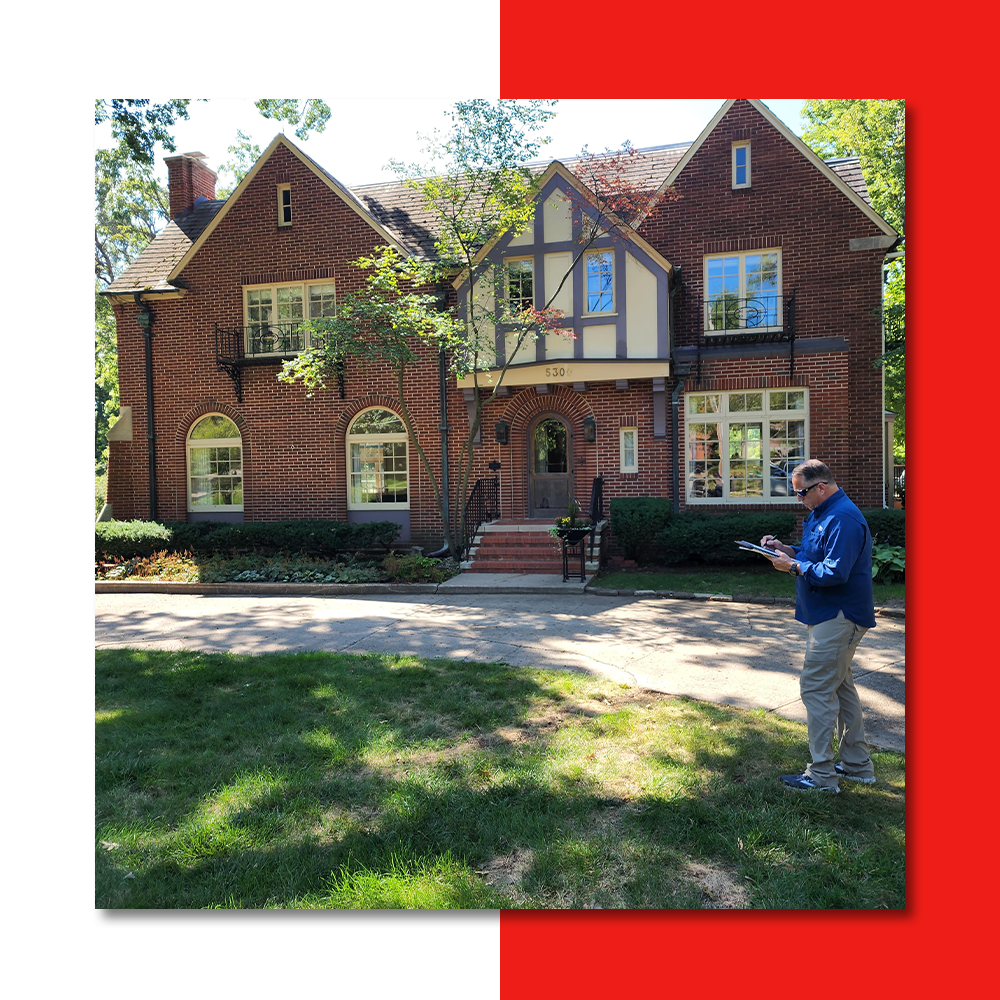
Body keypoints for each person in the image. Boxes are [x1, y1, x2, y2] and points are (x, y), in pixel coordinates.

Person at [760, 459, 877, 793]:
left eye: (801, 493)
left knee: (815, 689)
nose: (799, 500)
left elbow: (834, 572)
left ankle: (822, 775)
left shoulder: (843, 517)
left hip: (838, 616)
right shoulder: (823, 512)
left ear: (820, 487)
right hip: (827, 615)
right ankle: (857, 766)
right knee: (840, 687)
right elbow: (812, 554)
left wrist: (793, 566)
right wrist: (784, 551)